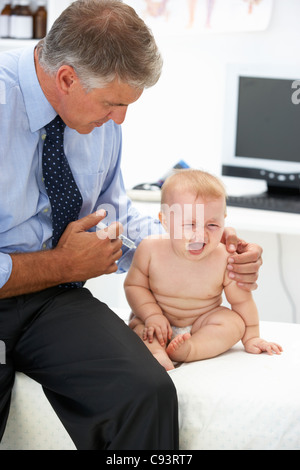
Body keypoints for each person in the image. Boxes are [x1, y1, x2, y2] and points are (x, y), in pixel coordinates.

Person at [0, 0, 262, 450]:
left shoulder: (97, 116)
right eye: (113, 103)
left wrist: (191, 242)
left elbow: (112, 214)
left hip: (52, 302)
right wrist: (60, 264)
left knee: (147, 394)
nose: (119, 119)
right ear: (66, 78)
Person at [125, 169, 282, 371]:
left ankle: (190, 349)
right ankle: (156, 352)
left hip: (201, 322)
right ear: (165, 221)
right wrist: (152, 315)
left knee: (232, 323)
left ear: (224, 220)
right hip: (157, 319)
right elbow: (134, 285)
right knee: (139, 325)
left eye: (213, 225)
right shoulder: (150, 249)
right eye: (190, 224)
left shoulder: (224, 258)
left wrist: (252, 337)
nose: (200, 234)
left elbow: (242, 301)